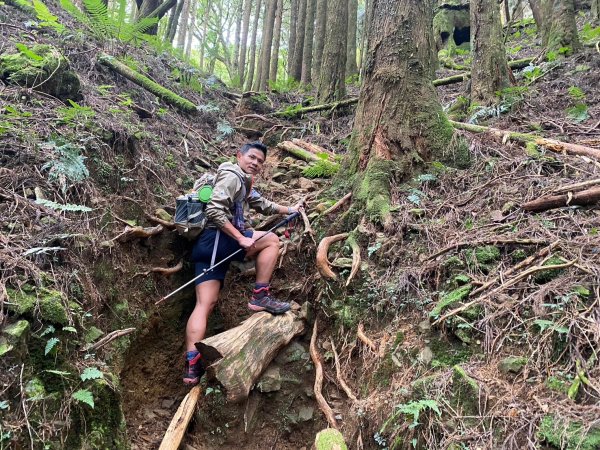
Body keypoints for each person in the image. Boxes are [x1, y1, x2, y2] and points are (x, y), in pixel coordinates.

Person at [183, 141, 302, 385]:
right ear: (239, 155)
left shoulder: (243, 181)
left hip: (207, 246)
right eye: (252, 158)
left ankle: (192, 365)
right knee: (270, 240)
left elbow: (264, 205)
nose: (256, 163)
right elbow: (214, 211)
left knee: (205, 303)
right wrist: (240, 238)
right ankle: (260, 295)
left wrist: (290, 208)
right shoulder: (232, 176)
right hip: (219, 239)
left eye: (260, 161)